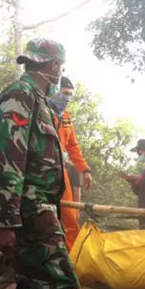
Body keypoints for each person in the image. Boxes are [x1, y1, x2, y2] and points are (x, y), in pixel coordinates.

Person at [0, 38, 81, 289]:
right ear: (54, 66)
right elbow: (4, 157)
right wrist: (3, 220)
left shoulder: (39, 101)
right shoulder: (20, 94)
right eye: (60, 67)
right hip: (28, 209)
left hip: (35, 208)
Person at [49, 75, 93, 252]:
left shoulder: (66, 117)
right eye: (64, 92)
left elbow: (73, 146)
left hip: (61, 171)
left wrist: (85, 170)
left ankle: (73, 259)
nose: (67, 97)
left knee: (70, 215)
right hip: (39, 171)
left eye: (70, 94)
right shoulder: (41, 111)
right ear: (54, 91)